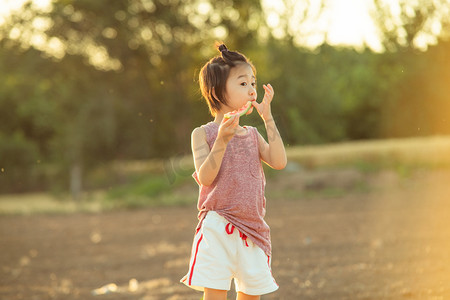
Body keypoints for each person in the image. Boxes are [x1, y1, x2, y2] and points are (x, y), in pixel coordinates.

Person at [180, 43, 287, 300]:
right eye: (243, 84)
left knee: (251, 295)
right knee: (215, 295)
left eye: (253, 83)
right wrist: (221, 141)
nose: (252, 90)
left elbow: (279, 161)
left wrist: (268, 118)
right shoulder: (202, 134)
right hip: (217, 227)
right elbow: (205, 178)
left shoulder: (251, 134)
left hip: (252, 229)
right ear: (217, 92)